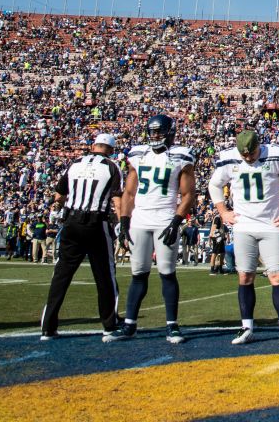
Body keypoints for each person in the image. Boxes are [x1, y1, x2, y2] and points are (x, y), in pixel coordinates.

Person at [209, 129, 279, 347]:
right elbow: (214, 185)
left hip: (271, 225)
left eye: (252, 154)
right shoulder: (229, 159)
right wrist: (223, 212)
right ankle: (247, 327)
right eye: (244, 155)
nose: (248, 158)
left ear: (258, 147)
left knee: (277, 277)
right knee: (245, 278)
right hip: (243, 226)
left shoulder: (276, 155)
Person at [105, 114, 197, 344]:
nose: (155, 136)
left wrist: (176, 221)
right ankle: (130, 325)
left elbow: (188, 194)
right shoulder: (137, 154)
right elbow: (128, 192)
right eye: (152, 131)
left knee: (167, 272)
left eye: (159, 131)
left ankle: (172, 325)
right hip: (140, 219)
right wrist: (124, 221)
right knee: (138, 272)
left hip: (165, 218)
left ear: (170, 132)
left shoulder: (181, 156)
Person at [39, 133, 125, 340]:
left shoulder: (75, 163)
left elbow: (59, 195)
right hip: (96, 223)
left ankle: (48, 327)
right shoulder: (112, 167)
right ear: (111, 150)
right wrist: (122, 223)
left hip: (71, 222)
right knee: (105, 276)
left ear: (94, 145)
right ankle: (109, 325)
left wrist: (63, 205)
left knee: (61, 275)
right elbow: (117, 200)